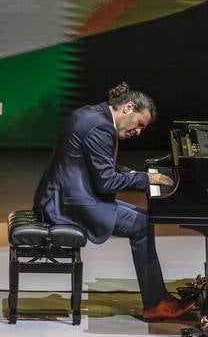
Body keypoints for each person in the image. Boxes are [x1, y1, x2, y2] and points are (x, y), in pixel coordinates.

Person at [33, 81, 197, 321]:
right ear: (128, 107)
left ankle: (158, 298)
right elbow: (106, 182)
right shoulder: (100, 127)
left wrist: (134, 175)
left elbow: (101, 165)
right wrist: (145, 180)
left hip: (64, 195)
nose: (138, 132)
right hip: (68, 204)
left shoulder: (92, 114)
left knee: (143, 219)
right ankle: (155, 304)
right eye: (140, 124)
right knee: (141, 224)